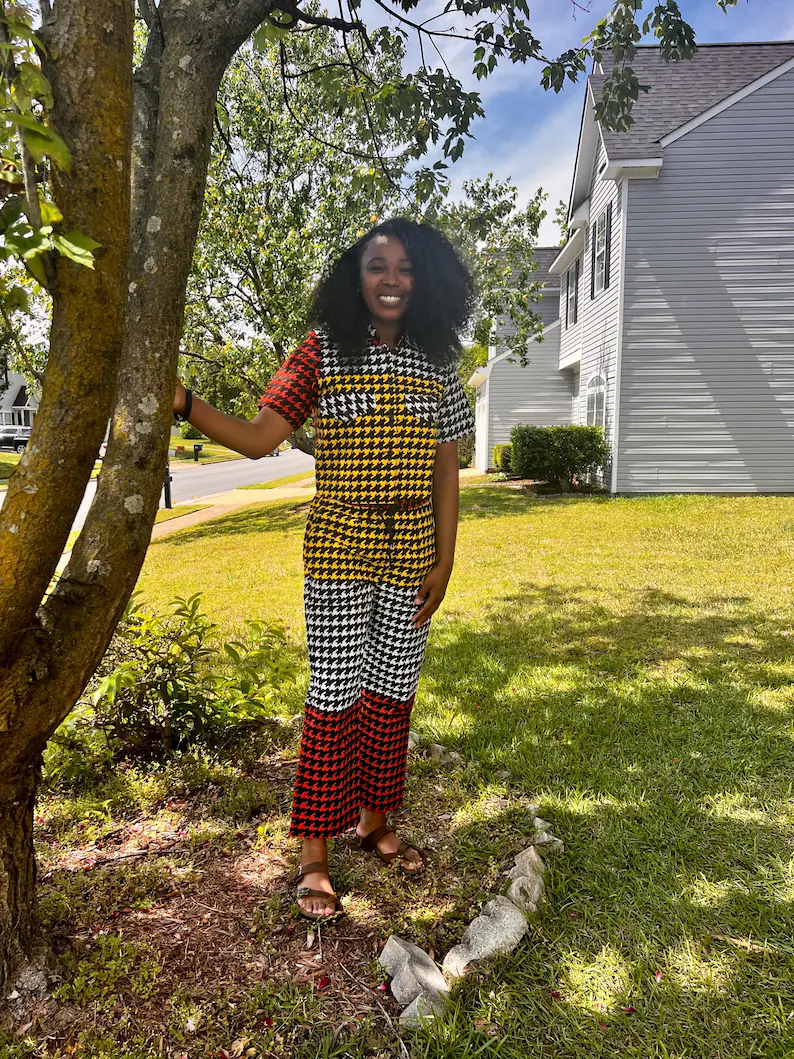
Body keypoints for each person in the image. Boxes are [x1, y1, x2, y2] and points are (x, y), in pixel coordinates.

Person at [173, 218, 474, 920]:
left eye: (405, 267)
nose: (392, 279)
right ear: (355, 277)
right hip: (340, 538)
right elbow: (258, 439)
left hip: (412, 547)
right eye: (377, 266)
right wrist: (183, 402)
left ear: (425, 279)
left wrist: (446, 558)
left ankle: (374, 821)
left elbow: (446, 467)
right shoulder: (321, 350)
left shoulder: (437, 362)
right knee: (334, 694)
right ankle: (314, 854)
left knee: (393, 692)